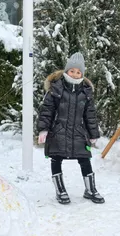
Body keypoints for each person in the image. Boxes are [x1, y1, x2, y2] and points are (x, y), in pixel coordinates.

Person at [37, 52, 105, 204]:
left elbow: (90, 115)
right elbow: (47, 111)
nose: (75, 74)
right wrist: (44, 129)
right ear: (66, 71)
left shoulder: (85, 91)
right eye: (72, 71)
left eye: (78, 72)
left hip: (78, 133)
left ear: (82, 73)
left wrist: (93, 134)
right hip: (58, 131)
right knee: (56, 158)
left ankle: (90, 189)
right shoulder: (56, 89)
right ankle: (60, 190)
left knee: (85, 158)